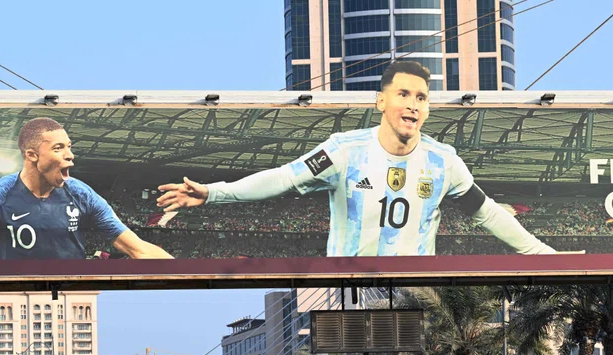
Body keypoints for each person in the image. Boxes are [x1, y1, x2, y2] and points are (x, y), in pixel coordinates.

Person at [157, 60, 579, 257]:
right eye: (403, 94)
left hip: (416, 293)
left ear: (428, 108)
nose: (412, 104)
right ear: (380, 101)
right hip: (349, 288)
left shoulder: (444, 162)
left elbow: (487, 213)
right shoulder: (344, 151)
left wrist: (545, 255)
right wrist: (213, 193)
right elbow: (284, 177)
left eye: (421, 98)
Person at [0, 117, 173, 260]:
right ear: (32, 155)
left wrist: (190, 272)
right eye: (58, 148)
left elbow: (139, 250)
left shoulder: (82, 195)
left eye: (69, 147)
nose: (70, 155)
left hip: (70, 298)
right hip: (16, 297)